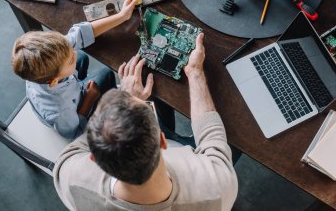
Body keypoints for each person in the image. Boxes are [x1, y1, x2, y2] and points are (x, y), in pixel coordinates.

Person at [53, 33, 238, 211]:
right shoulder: (217, 190)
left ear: (94, 158)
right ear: (161, 139)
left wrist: (126, 98)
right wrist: (195, 72)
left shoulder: (70, 177)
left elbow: (77, 149)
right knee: (235, 141)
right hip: (188, 157)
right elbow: (213, 139)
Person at [11, 0, 137, 139]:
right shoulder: (59, 111)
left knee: (82, 58)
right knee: (106, 74)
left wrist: (122, 16)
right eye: (71, 61)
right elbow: (74, 133)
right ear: (54, 81)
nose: (74, 53)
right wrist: (89, 99)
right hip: (74, 116)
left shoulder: (41, 63)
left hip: (69, 92)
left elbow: (79, 35)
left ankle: (79, 83)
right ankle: (113, 111)